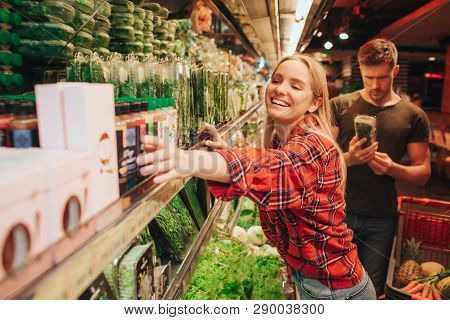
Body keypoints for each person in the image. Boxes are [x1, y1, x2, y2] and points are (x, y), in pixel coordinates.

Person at [137, 54, 376, 300]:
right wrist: (225, 151)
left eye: (295, 86)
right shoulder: (281, 136)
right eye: (277, 80)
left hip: (337, 292)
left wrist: (189, 160)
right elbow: (267, 165)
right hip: (314, 282)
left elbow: (273, 169)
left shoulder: (313, 145)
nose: (280, 89)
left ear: (314, 103)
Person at [330, 38, 431, 296]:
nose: (375, 85)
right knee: (334, 288)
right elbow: (322, 162)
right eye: (369, 76)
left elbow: (423, 172)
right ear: (360, 70)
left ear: (395, 71)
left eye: (383, 77)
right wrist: (349, 158)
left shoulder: (413, 115)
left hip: (381, 218)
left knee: (372, 293)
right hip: (338, 213)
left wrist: (392, 168)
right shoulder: (340, 106)